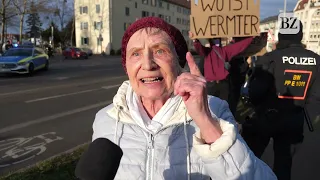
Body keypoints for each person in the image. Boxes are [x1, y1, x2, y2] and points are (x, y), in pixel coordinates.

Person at [91, 17, 277, 180]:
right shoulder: (105, 120)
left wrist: (205, 122)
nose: (147, 64)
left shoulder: (215, 110)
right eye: (136, 53)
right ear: (127, 67)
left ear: (179, 63)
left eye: (160, 51)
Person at [243, 20, 319, 180]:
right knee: (284, 164)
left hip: (267, 117)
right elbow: (316, 97)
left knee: (250, 160)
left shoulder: (270, 58)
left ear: (280, 35)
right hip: (296, 120)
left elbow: (256, 92)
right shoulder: (316, 60)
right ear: (301, 35)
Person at [189, 32, 253, 101]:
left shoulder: (217, 51)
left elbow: (239, 46)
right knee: (221, 106)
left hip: (214, 84)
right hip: (221, 84)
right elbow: (239, 46)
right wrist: (251, 38)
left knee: (212, 107)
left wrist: (195, 40)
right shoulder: (217, 51)